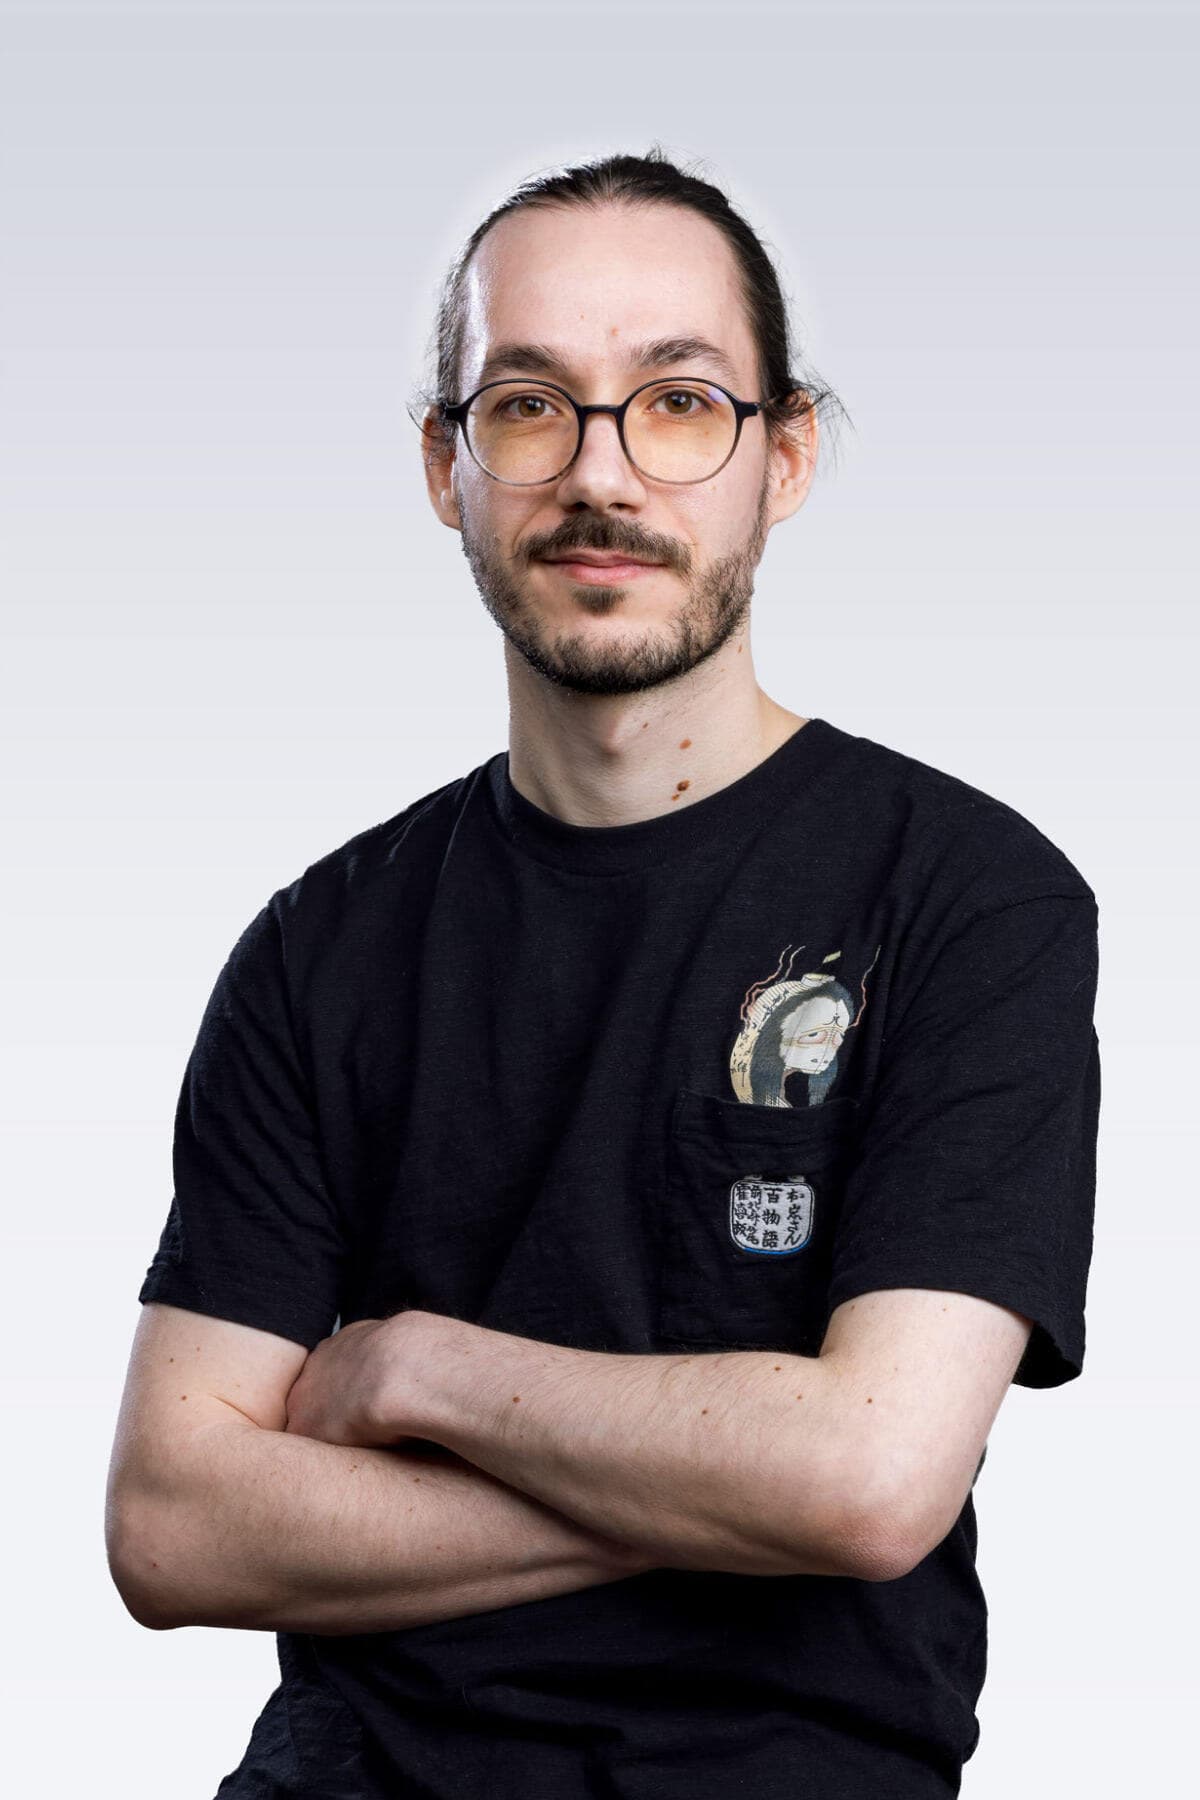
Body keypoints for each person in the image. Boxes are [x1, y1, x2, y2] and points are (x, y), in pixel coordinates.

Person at [106, 148, 1101, 1800]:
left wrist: (425, 1370)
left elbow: (869, 1483)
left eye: (681, 403)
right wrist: (731, 1487)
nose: (601, 472)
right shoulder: (315, 949)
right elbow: (171, 1527)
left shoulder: (969, 898)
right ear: (447, 466)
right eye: (527, 407)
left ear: (785, 454)